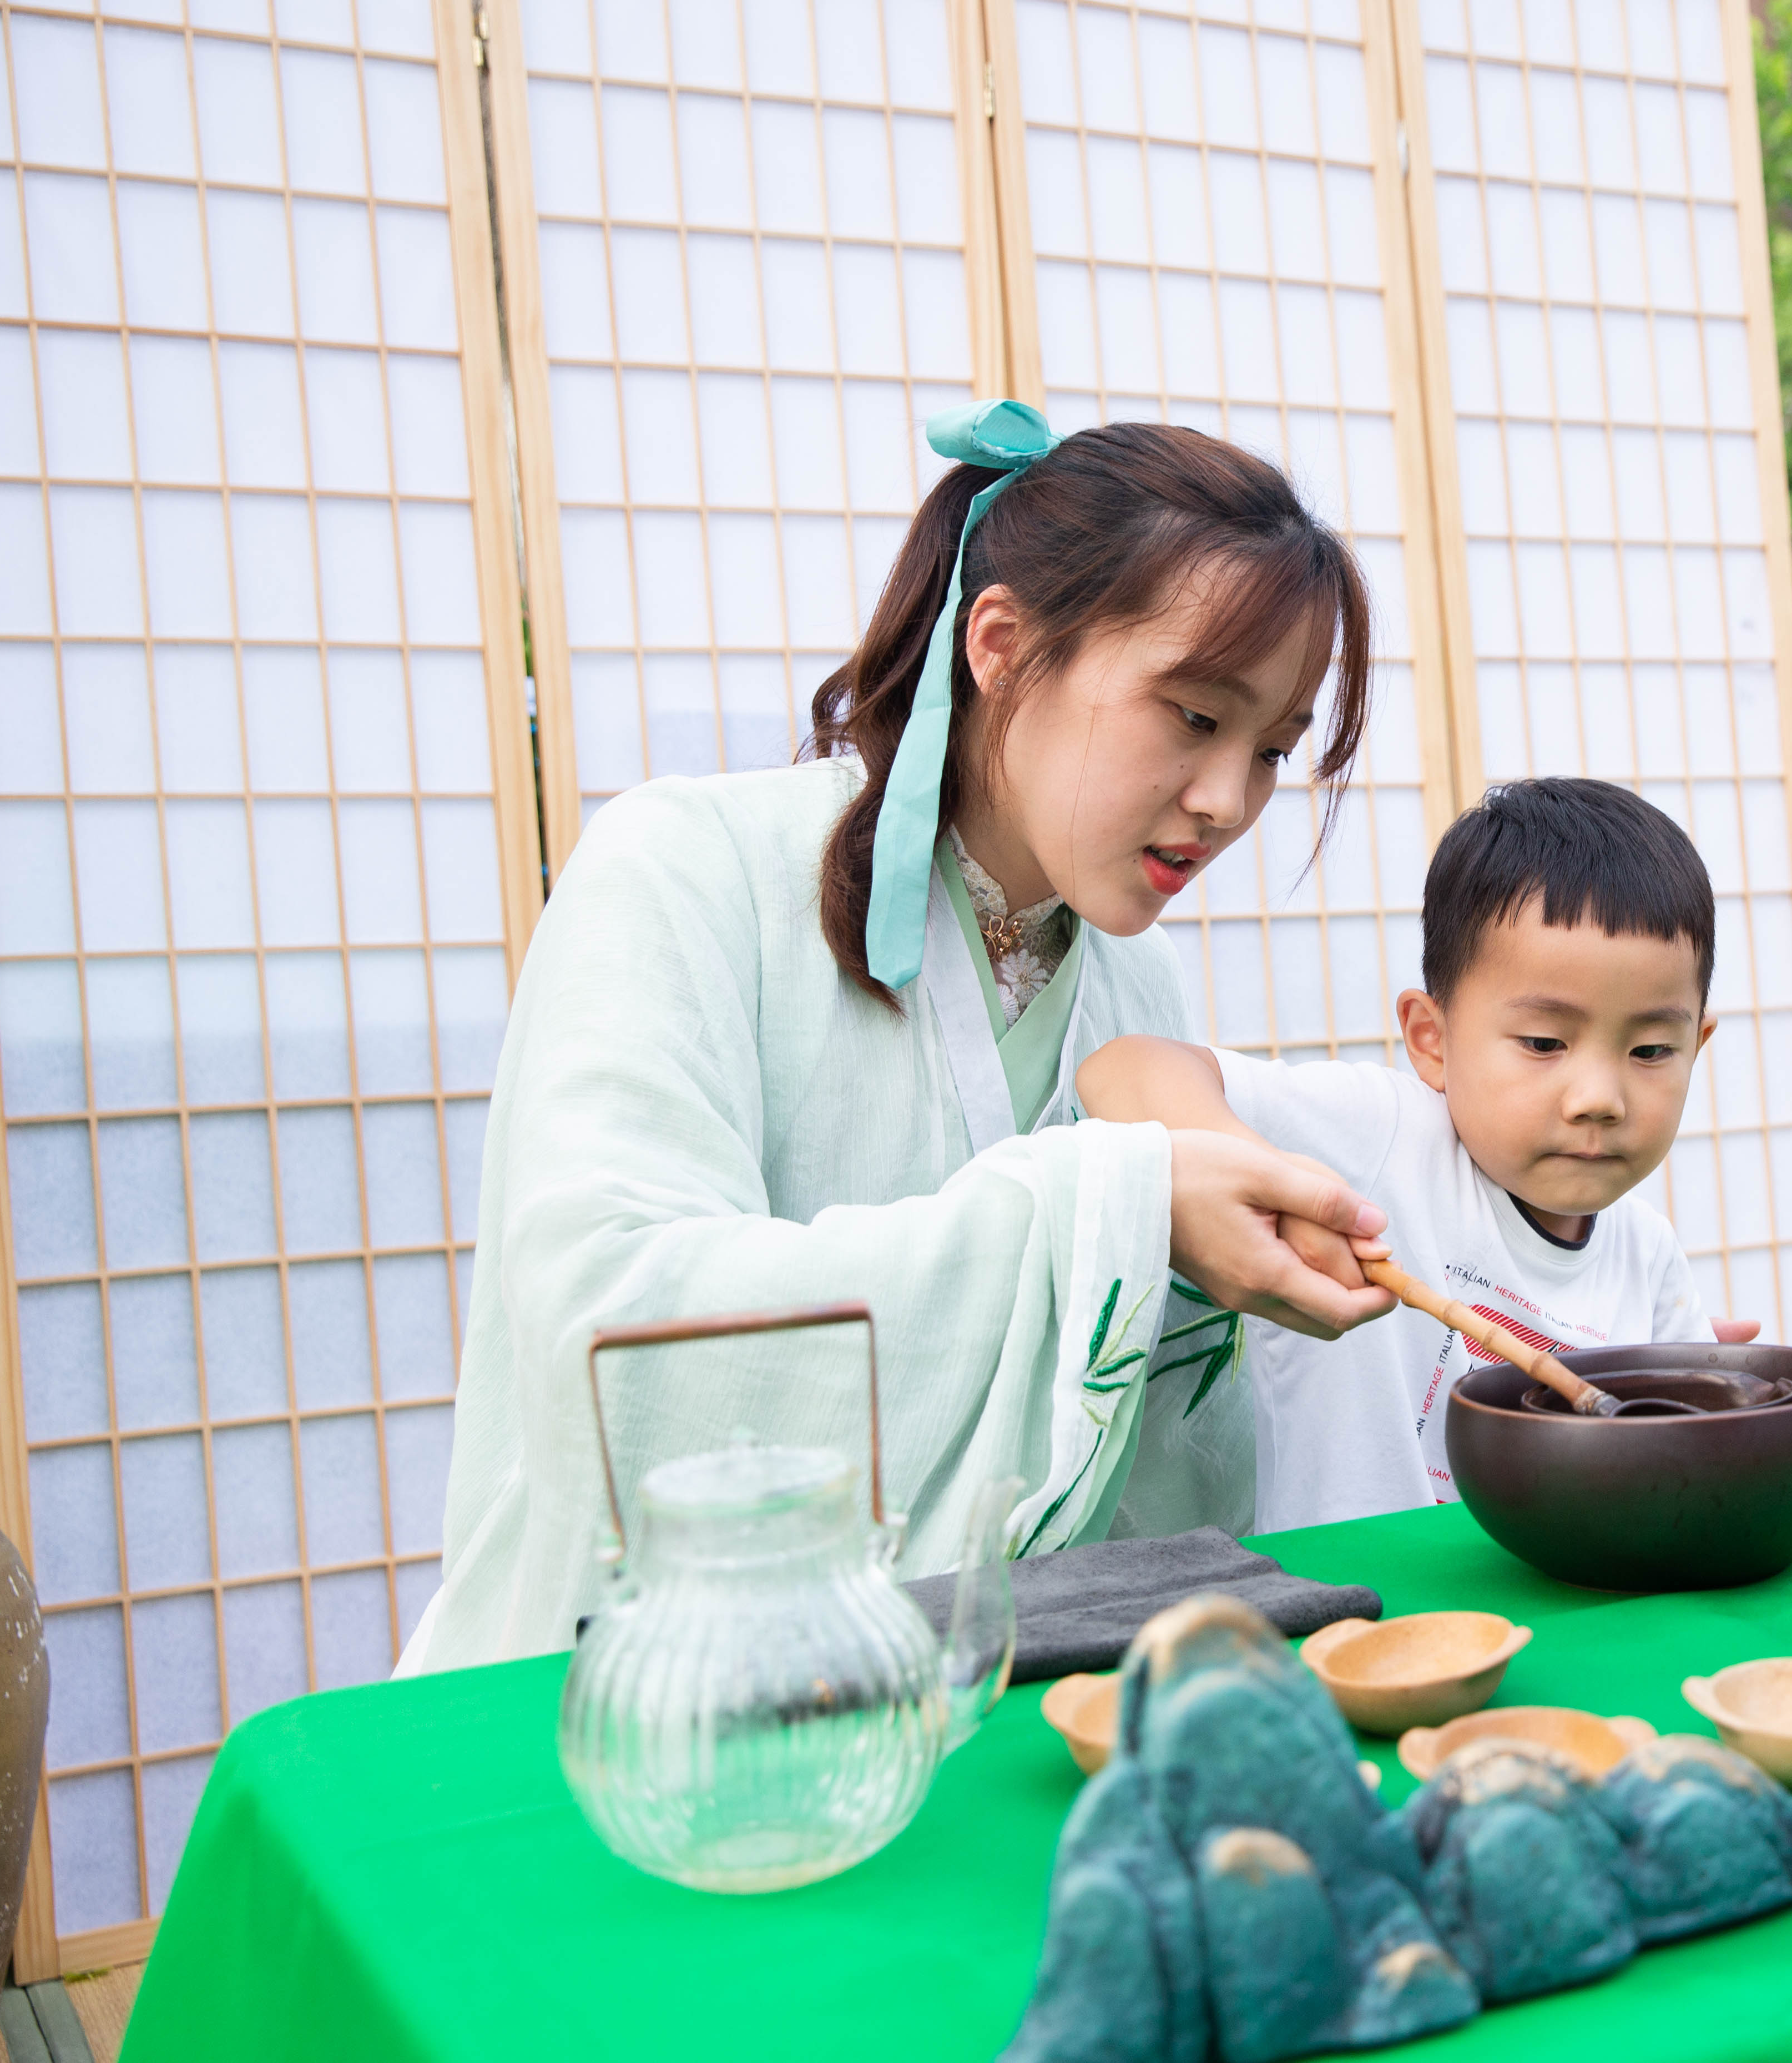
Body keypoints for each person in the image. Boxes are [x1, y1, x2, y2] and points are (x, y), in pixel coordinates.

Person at [401, 403, 1400, 1672]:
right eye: (1195, 717)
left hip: (981, 1705)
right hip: (639, 1708)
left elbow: (1145, 1481)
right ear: (1003, 644)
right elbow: (615, 1339)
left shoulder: (1137, 985)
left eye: (1271, 749)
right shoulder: (684, 868)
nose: (1226, 801)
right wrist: (1108, 1206)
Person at [1075, 780, 1751, 1531]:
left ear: (1698, 1045)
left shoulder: (1648, 1254)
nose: (1599, 1097)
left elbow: (1698, 1455)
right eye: (1543, 1043)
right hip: (1347, 1621)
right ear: (1432, 1039)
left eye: (1652, 1049)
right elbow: (1121, 1068)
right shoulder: (1385, 1139)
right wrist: (1257, 1175)